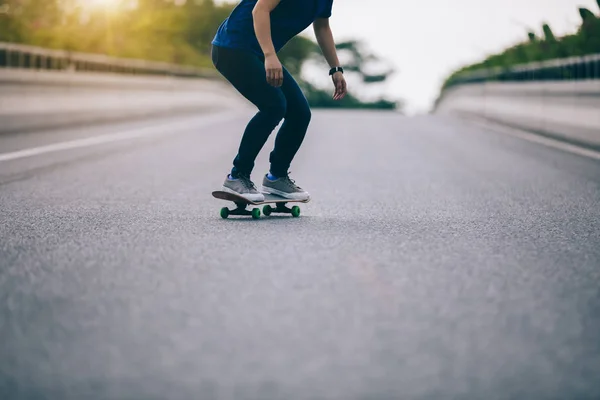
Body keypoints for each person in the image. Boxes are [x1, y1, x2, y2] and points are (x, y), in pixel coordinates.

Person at [211, 0, 347, 202]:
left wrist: (335, 68)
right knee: (273, 107)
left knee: (299, 113)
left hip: (256, 52)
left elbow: (322, 25)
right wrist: (270, 55)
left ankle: (277, 178)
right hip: (233, 47)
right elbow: (260, 10)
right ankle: (236, 176)